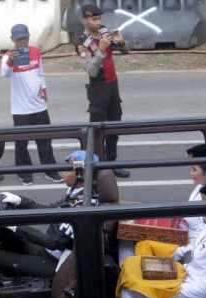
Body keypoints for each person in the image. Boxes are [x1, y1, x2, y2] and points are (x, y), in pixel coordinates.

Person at [0, 150, 100, 278]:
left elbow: (54, 242)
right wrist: (19, 201)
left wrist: (16, 227)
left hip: (55, 263)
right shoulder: (76, 194)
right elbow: (50, 210)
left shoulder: (82, 206)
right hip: (50, 252)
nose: (64, 172)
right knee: (11, 240)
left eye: (69, 169)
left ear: (83, 174)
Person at [1, 24, 62, 186]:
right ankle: (24, 172)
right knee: (22, 142)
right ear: (12, 39)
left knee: (45, 140)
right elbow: (4, 74)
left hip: (39, 105)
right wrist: (11, 61)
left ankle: (51, 170)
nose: (22, 42)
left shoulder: (35, 51)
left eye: (25, 38)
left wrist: (44, 89)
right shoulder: (7, 57)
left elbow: (40, 73)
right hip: (21, 109)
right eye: (19, 39)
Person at [77, 4, 130, 179]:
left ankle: (112, 164)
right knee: (97, 129)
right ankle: (95, 165)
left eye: (99, 19)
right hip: (98, 88)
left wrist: (121, 41)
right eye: (94, 19)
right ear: (85, 20)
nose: (98, 22)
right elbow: (91, 70)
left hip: (113, 85)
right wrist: (100, 49)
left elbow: (124, 51)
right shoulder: (82, 43)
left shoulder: (104, 31)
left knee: (114, 126)